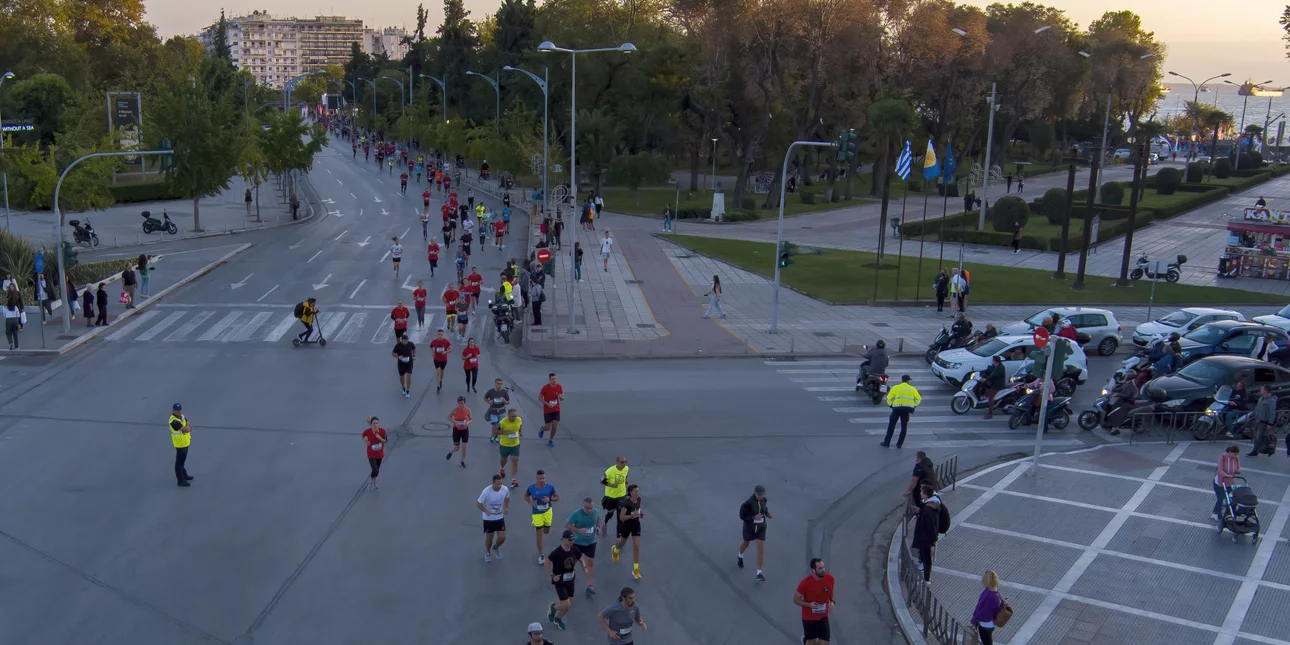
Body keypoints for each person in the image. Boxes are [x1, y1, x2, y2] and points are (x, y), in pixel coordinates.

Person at [543, 530, 581, 631]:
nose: (572, 542)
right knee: (566, 604)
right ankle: (553, 608)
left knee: (568, 605)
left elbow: (579, 558)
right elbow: (546, 563)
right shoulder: (557, 552)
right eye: (570, 540)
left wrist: (577, 566)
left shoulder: (574, 549)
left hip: (570, 580)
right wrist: (552, 575)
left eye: (573, 540)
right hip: (560, 581)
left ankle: (558, 619)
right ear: (563, 539)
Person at [794, 558, 836, 645]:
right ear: (813, 570)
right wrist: (809, 605)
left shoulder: (830, 578)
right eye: (820, 568)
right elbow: (796, 599)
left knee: (824, 643)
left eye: (823, 567)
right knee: (811, 643)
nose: (823, 570)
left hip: (823, 616)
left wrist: (832, 601)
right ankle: (805, 640)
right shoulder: (805, 583)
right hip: (809, 618)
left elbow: (832, 590)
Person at [565, 497, 601, 596]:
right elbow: (567, 525)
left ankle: (590, 586)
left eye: (591, 508)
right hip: (578, 542)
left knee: (590, 563)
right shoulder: (576, 513)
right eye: (587, 508)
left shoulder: (596, 512)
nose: (589, 510)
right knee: (572, 563)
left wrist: (598, 527)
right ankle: (567, 581)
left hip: (591, 542)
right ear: (583, 506)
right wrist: (578, 530)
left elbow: (598, 518)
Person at [737, 484, 772, 581]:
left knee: (761, 549)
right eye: (759, 494)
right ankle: (740, 555)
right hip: (749, 528)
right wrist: (753, 517)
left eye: (762, 495)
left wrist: (767, 514)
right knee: (746, 544)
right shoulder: (747, 504)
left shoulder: (764, 500)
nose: (760, 496)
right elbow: (742, 516)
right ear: (754, 492)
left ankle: (759, 573)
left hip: (761, 528)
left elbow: (764, 508)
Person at [526, 470, 560, 564]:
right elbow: (526, 496)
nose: (542, 480)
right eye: (540, 478)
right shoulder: (531, 488)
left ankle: (542, 528)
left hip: (547, 511)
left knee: (546, 531)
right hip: (537, 513)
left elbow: (557, 497)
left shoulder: (550, 487)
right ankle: (541, 554)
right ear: (536, 479)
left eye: (543, 478)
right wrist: (530, 502)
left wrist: (550, 499)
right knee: (540, 533)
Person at [911, 484, 942, 582]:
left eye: (921, 492)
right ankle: (925, 574)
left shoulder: (928, 510)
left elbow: (930, 525)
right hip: (925, 537)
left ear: (925, 495)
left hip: (925, 538)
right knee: (925, 557)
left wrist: (933, 539)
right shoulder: (929, 506)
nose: (920, 493)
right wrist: (919, 511)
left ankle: (926, 578)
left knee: (927, 558)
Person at [477, 474, 510, 563]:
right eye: (498, 484)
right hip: (489, 518)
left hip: (499, 516)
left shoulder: (505, 489)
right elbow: (479, 503)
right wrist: (485, 510)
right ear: (493, 483)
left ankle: (495, 548)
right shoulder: (486, 492)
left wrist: (506, 507)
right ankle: (487, 553)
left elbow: (507, 497)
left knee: (502, 537)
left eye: (501, 484)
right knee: (490, 538)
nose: (500, 486)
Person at [882, 375, 922, 448]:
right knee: (904, 428)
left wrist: (891, 405)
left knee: (891, 426)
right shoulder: (912, 389)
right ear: (908, 381)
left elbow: (889, 398)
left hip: (896, 409)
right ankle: (899, 444)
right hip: (906, 411)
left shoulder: (896, 387)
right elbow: (918, 399)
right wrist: (914, 405)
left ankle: (886, 442)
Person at [971, 570, 1005, 645]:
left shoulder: (991, 597)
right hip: (986, 623)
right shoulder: (992, 591)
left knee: (987, 642)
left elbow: (984, 613)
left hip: (985, 624)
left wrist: (974, 620)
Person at [601, 455, 629, 536]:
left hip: (622, 495)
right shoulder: (610, 471)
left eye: (625, 462)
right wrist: (612, 485)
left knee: (620, 517)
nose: (624, 464)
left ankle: (618, 537)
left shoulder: (626, 468)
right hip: (611, 496)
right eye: (622, 462)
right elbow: (602, 480)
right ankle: (605, 522)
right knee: (610, 513)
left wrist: (627, 484)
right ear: (617, 462)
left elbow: (625, 477)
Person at [1214, 445, 1242, 519]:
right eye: (1234, 454)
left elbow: (1238, 467)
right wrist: (1227, 475)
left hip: (1230, 482)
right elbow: (1220, 470)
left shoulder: (1236, 458)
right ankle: (1216, 514)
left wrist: (1238, 470)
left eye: (1236, 454)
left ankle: (1224, 512)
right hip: (1220, 481)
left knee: (1228, 497)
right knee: (1221, 498)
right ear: (1229, 452)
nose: (1235, 456)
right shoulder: (1222, 458)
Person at [169, 403, 194, 487]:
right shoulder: (173, 421)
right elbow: (186, 429)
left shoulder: (181, 416)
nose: (179, 411)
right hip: (180, 444)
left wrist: (188, 427)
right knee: (179, 463)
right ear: (174, 411)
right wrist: (187, 428)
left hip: (185, 442)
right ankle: (180, 480)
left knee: (182, 462)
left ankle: (184, 475)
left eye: (180, 410)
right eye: (177, 410)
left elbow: (189, 425)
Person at [1248, 385, 1277, 457]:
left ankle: (1267, 449)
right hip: (1257, 421)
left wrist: (1270, 423)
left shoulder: (1271, 401)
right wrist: (1251, 416)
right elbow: (1256, 409)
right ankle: (1255, 451)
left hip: (1264, 422)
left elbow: (1272, 413)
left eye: (1262, 389)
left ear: (1266, 391)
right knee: (1256, 437)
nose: (1260, 390)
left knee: (1259, 437)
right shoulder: (1261, 398)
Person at [538, 373, 564, 447]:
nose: (554, 380)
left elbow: (562, 398)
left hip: (556, 409)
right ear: (549, 380)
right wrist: (547, 404)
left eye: (555, 378)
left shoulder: (559, 387)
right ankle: (542, 429)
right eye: (553, 379)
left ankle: (550, 440)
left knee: (554, 426)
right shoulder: (545, 388)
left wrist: (561, 397)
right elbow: (540, 398)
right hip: (547, 410)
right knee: (548, 427)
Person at [362, 416, 388, 490]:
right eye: (374, 423)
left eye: (377, 423)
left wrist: (379, 437)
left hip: (379, 454)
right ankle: (371, 481)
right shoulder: (368, 431)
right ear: (371, 424)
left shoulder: (383, 431)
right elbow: (362, 435)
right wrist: (366, 441)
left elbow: (385, 441)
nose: (376, 425)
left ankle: (374, 481)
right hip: (371, 455)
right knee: (375, 470)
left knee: (377, 470)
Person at [448, 396, 473, 467]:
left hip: (465, 430)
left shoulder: (467, 410)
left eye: (462, 403)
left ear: (464, 403)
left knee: (464, 446)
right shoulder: (455, 410)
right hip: (456, 430)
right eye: (459, 403)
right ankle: (451, 452)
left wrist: (467, 423)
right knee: (457, 448)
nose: (460, 405)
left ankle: (462, 461)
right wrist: (455, 422)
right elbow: (449, 417)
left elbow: (471, 419)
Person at [392, 333, 416, 398]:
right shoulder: (398, 346)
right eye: (404, 341)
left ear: (408, 340)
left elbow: (414, 349)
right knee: (401, 377)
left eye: (406, 341)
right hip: (401, 364)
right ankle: (403, 387)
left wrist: (414, 356)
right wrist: (398, 357)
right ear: (401, 340)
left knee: (408, 376)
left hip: (409, 363)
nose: (405, 342)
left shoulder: (410, 344)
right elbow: (393, 353)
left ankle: (408, 391)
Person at [430, 329, 451, 393]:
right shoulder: (434, 341)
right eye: (439, 334)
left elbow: (450, 349)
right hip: (436, 359)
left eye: (441, 334)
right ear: (437, 335)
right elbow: (431, 346)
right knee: (438, 372)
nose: (440, 336)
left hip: (444, 359)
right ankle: (438, 386)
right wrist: (433, 352)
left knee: (442, 371)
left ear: (443, 335)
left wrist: (446, 352)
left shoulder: (446, 341)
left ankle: (440, 380)